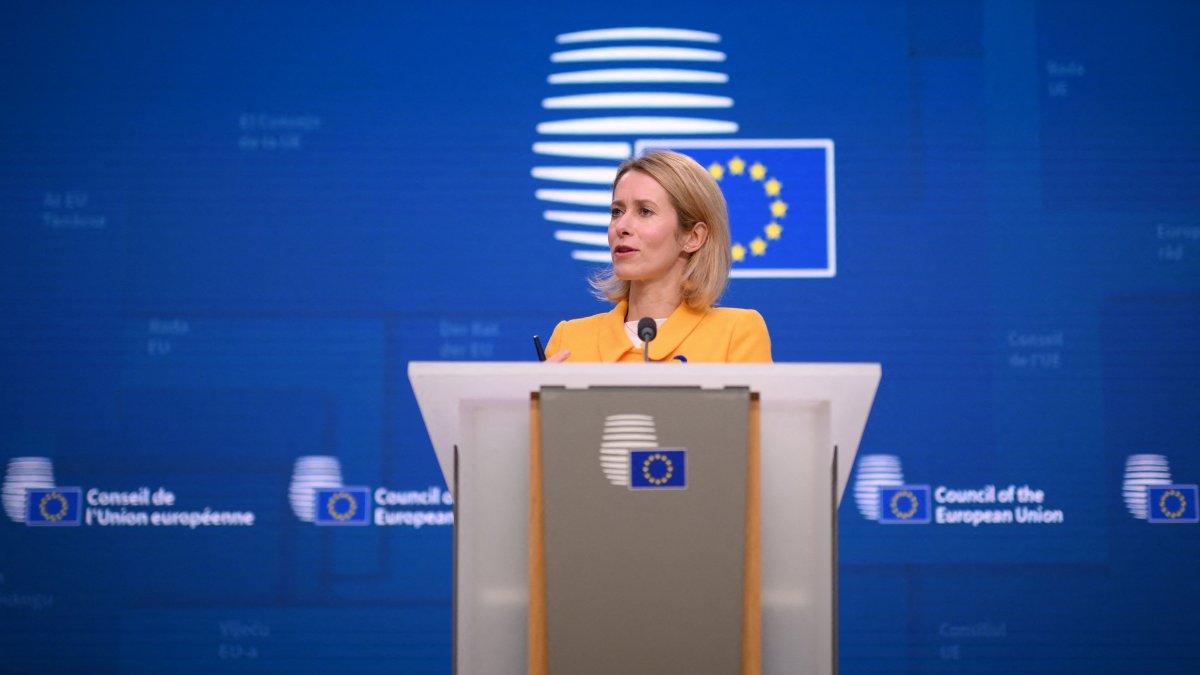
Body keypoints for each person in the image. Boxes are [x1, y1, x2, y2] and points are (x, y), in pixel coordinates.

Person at [545, 149, 772, 363]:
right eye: (617, 211)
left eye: (645, 211)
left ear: (693, 237)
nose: (621, 226)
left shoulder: (736, 334)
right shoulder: (569, 340)